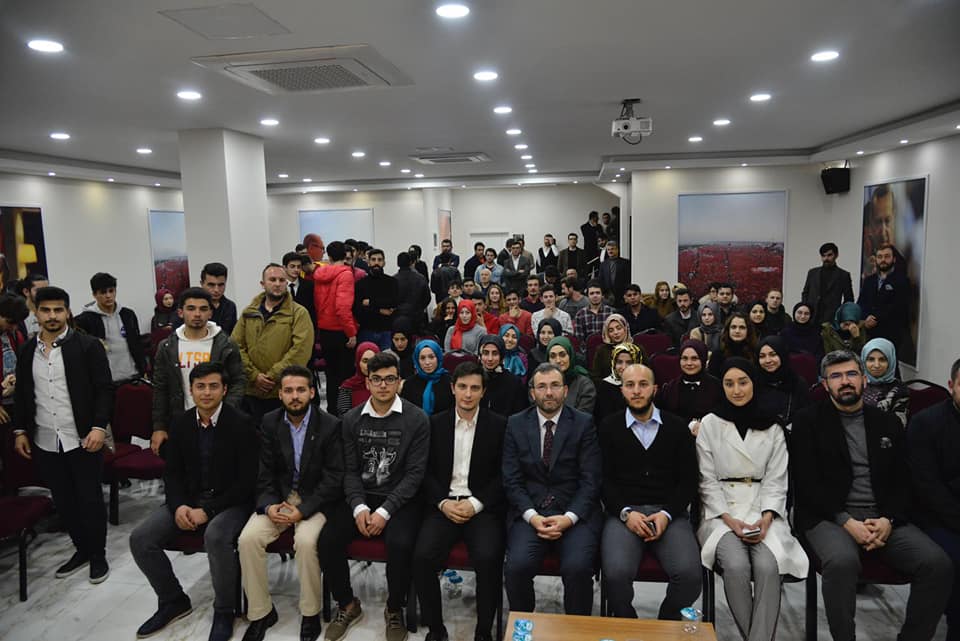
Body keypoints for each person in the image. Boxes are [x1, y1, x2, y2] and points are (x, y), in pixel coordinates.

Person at [792, 350, 952, 641]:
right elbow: (807, 484)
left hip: (883, 517)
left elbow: (903, 482)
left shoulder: (887, 423)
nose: (845, 381)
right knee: (842, 562)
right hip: (829, 516)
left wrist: (888, 520)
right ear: (825, 384)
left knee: (936, 564)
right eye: (836, 376)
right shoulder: (808, 422)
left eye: (851, 374)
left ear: (864, 379)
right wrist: (846, 521)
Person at [129, 362, 258, 641]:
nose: (206, 393)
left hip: (231, 502)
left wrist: (208, 510)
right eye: (200, 386)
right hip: (189, 499)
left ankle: (225, 609)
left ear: (224, 390)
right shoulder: (181, 423)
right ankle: (173, 600)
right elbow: (172, 474)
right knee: (141, 539)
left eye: (213, 386)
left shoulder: (242, 423)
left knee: (216, 536)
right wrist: (179, 506)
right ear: (191, 390)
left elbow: (247, 482)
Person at [696, 358, 808, 641]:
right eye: (729, 384)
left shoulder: (772, 426)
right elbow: (706, 480)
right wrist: (729, 520)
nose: (737, 390)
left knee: (769, 567)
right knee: (736, 566)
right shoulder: (710, 423)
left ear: (754, 384)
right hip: (721, 512)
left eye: (743, 382)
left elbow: (777, 479)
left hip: (763, 508)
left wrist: (767, 518)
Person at [237, 366, 352, 641]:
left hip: (315, 501)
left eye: (301, 390)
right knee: (248, 539)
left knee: (306, 542)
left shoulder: (330, 425)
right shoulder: (269, 422)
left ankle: (310, 613)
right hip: (280, 499)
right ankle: (261, 612)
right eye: (288, 390)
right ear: (280, 394)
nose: (295, 396)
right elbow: (264, 473)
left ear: (312, 392)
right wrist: (269, 506)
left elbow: (334, 478)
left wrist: (303, 510)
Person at [13, 286, 114, 585]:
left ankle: (98, 555)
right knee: (65, 501)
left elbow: (105, 390)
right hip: (45, 438)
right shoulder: (27, 350)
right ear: (36, 313)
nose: (52, 316)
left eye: (58, 310)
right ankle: (81, 550)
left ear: (68, 312)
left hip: (83, 437)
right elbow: (23, 394)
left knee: (90, 499)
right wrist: (20, 430)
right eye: (46, 310)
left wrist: (99, 427)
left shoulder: (87, 346)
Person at [413, 362, 507, 641]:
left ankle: (483, 631)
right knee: (422, 557)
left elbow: (504, 475)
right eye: (462, 387)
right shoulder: (434, 423)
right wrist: (442, 502)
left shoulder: (499, 425)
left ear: (483, 391)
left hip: (481, 507)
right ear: (452, 388)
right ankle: (436, 629)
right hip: (443, 505)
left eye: (474, 388)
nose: (468, 394)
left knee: (489, 558)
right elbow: (424, 471)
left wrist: (476, 503)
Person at [599, 363, 701, 619]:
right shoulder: (608, 427)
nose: (636, 391)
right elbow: (603, 480)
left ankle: (663, 626)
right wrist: (625, 513)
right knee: (615, 575)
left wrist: (667, 514)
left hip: (668, 513)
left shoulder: (677, 427)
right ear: (622, 390)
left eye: (643, 384)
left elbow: (688, 482)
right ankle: (630, 626)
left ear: (654, 389)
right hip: (624, 514)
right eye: (630, 385)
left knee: (690, 576)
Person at [341, 352, 430, 640]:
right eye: (377, 379)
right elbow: (349, 471)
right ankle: (346, 603)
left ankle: (394, 608)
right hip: (363, 496)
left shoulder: (417, 419)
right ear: (367, 382)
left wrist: (384, 511)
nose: (383, 385)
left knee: (400, 543)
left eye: (390, 379)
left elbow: (415, 474)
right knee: (328, 537)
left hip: (401, 499)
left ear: (399, 382)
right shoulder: (351, 419)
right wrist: (358, 507)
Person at [502, 363, 602, 615]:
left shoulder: (583, 423)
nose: (549, 392)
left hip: (573, 514)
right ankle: (524, 626)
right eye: (542, 386)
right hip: (530, 513)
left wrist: (568, 518)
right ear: (532, 392)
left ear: (565, 390)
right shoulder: (515, 424)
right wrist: (532, 517)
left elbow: (590, 480)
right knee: (516, 567)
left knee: (578, 568)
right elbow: (511, 480)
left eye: (555, 385)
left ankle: (576, 630)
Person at [151, 287, 245, 455]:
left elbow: (238, 381)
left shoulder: (226, 345)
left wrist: (226, 412)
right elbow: (160, 388)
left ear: (210, 313)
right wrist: (159, 427)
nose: (197, 314)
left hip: (219, 422)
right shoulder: (167, 347)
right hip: (180, 420)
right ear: (180, 312)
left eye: (203, 309)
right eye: (191, 308)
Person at [906, 357, 960, 641]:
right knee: (952, 558)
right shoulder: (926, 423)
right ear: (951, 386)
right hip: (935, 517)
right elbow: (927, 487)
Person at [232, 264, 314, 423]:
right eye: (272, 279)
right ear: (263, 284)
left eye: (282, 280)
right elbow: (235, 346)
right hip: (251, 391)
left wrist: (272, 376)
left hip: (283, 392)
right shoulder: (249, 312)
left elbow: (301, 350)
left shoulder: (298, 313)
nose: (277, 284)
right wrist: (254, 376)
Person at [310, 242, 359, 414]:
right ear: (345, 255)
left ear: (328, 256)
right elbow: (342, 308)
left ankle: (332, 411)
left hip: (324, 330)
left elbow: (318, 303)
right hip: (341, 330)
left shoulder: (319, 274)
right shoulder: (346, 274)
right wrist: (351, 332)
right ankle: (344, 412)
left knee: (331, 374)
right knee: (346, 375)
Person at [74, 272, 145, 383]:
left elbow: (137, 343)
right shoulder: (84, 320)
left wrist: (143, 368)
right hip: (106, 381)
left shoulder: (128, 314)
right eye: (103, 292)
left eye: (111, 291)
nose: (108, 296)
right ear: (94, 295)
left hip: (133, 375)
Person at [656, 339, 723, 428]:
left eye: (694, 358)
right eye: (684, 358)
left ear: (703, 359)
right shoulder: (670, 388)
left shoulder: (716, 386)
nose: (689, 363)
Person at [858, 243, 911, 355]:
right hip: (869, 332)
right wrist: (866, 319)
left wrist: (874, 319)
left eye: (887, 256)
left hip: (891, 332)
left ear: (894, 259)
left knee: (888, 361)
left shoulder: (902, 281)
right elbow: (861, 302)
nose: (883, 260)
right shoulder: (869, 281)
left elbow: (899, 306)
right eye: (880, 257)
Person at [755, 336, 809, 428]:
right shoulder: (754, 383)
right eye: (762, 356)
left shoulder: (797, 383)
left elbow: (806, 416)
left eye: (773, 355)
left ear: (782, 355)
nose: (768, 360)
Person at [354, 248, 399, 351]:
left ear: (384, 263)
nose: (376, 263)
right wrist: (379, 310)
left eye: (379, 260)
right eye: (373, 259)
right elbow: (358, 309)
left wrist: (370, 302)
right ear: (368, 262)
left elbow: (393, 302)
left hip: (386, 331)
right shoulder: (360, 284)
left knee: (387, 359)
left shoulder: (392, 282)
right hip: (367, 330)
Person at [802, 242, 855, 326]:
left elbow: (849, 299)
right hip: (812, 316)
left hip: (832, 319)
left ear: (836, 255)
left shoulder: (843, 275)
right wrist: (805, 311)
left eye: (829, 255)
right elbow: (805, 292)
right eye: (823, 256)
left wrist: (842, 316)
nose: (826, 258)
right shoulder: (812, 273)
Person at [861, 338, 910, 428]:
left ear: (891, 361)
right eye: (871, 359)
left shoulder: (899, 389)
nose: (876, 365)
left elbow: (899, 424)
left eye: (882, 360)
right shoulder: (856, 384)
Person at [477, 334, 528, 416]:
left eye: (495, 354)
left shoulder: (514, 383)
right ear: (480, 355)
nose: (490, 358)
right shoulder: (474, 379)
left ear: (501, 356)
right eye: (486, 353)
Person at [401, 339, 453, 416]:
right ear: (417, 360)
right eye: (422, 358)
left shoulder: (449, 382)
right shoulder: (409, 384)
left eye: (431, 357)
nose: (427, 362)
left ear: (438, 357)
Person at [594, 343, 643, 422]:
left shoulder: (644, 385)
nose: (624, 367)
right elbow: (605, 419)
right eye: (619, 362)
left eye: (629, 362)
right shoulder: (605, 386)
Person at [548, 336, 596, 414]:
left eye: (562, 355)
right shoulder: (539, 382)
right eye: (553, 356)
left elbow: (583, 417)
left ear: (570, 356)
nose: (558, 360)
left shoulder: (585, 384)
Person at [591, 313, 643, 382]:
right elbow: (595, 376)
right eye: (611, 330)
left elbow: (646, 373)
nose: (615, 332)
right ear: (607, 333)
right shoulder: (601, 350)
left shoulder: (637, 348)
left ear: (625, 328)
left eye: (619, 328)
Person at [336, 342, 380, 417]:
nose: (369, 365)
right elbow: (344, 416)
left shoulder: (386, 384)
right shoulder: (347, 387)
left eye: (373, 361)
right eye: (365, 361)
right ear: (358, 362)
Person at [707, 313, 757, 378]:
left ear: (748, 330)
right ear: (728, 330)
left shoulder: (755, 353)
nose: (737, 331)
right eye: (733, 327)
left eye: (742, 327)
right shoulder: (718, 355)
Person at [574, 280, 615, 352]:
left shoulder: (610, 312)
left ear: (602, 295)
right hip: (587, 352)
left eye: (598, 293)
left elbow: (614, 336)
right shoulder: (580, 315)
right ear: (587, 296)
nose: (595, 296)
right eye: (592, 293)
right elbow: (579, 340)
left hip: (608, 351)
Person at [394, 251, 431, 330]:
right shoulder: (421, 278)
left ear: (397, 263)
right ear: (410, 262)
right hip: (417, 316)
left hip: (398, 316)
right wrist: (420, 308)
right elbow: (427, 298)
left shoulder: (393, 280)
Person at [201, 262, 238, 336]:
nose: (216, 290)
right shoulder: (193, 307)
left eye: (221, 285)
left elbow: (233, 336)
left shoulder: (230, 306)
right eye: (211, 285)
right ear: (202, 284)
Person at [283, 250, 316, 326]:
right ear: (284, 268)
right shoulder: (279, 286)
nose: (296, 270)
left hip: (304, 325)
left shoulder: (310, 285)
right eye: (292, 266)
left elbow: (312, 310)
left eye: (299, 267)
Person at [598, 240, 630, 304]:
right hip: (607, 296)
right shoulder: (603, 264)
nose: (610, 251)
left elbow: (628, 279)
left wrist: (626, 293)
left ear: (617, 250)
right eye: (608, 249)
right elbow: (601, 280)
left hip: (621, 296)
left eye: (612, 249)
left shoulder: (625, 263)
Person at [17, 272, 48, 338]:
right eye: (38, 290)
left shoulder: (52, 313)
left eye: (46, 290)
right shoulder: (19, 317)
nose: (44, 294)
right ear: (26, 292)